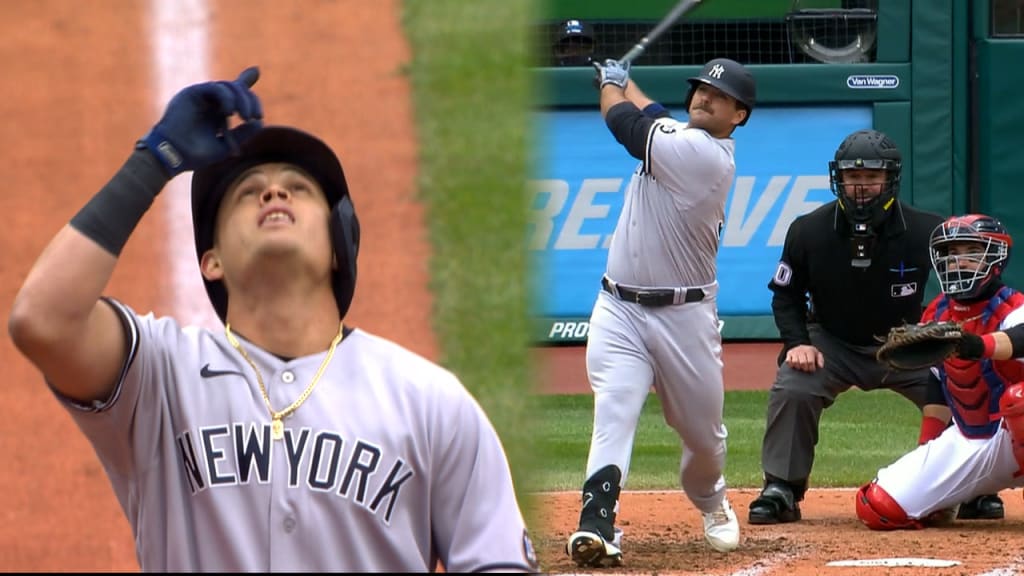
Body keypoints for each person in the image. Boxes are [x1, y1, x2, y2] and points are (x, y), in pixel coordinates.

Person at [7, 66, 539, 573]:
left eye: (298, 188)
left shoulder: (428, 401)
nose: (273, 191)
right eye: (246, 191)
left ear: (339, 246)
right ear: (210, 261)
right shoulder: (160, 375)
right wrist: (155, 160)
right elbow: (43, 320)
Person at [747, 128, 1002, 525]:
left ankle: (974, 487)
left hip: (908, 343)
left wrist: (945, 336)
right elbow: (786, 294)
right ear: (839, 179)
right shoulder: (807, 230)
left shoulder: (926, 230)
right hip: (832, 341)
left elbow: (960, 288)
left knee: (966, 381)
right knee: (793, 385)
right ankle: (782, 487)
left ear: (890, 179)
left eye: (870, 177)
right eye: (852, 177)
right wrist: (797, 342)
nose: (860, 186)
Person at [564, 57, 756, 568]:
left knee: (703, 437)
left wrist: (609, 86)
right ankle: (596, 523)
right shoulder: (683, 134)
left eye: (719, 95)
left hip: (685, 319)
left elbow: (625, 123)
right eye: (701, 88)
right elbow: (655, 112)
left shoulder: (707, 156)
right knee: (615, 410)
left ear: (739, 115)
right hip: (618, 308)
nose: (705, 97)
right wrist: (627, 80)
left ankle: (712, 500)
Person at [856, 214, 1024, 529]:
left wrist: (979, 346)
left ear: (995, 257)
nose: (958, 261)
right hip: (969, 435)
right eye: (951, 253)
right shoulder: (938, 313)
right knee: (877, 506)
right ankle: (956, 497)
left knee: (1019, 400)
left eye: (970, 252)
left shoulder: (1014, 308)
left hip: (1008, 434)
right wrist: (927, 448)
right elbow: (938, 387)